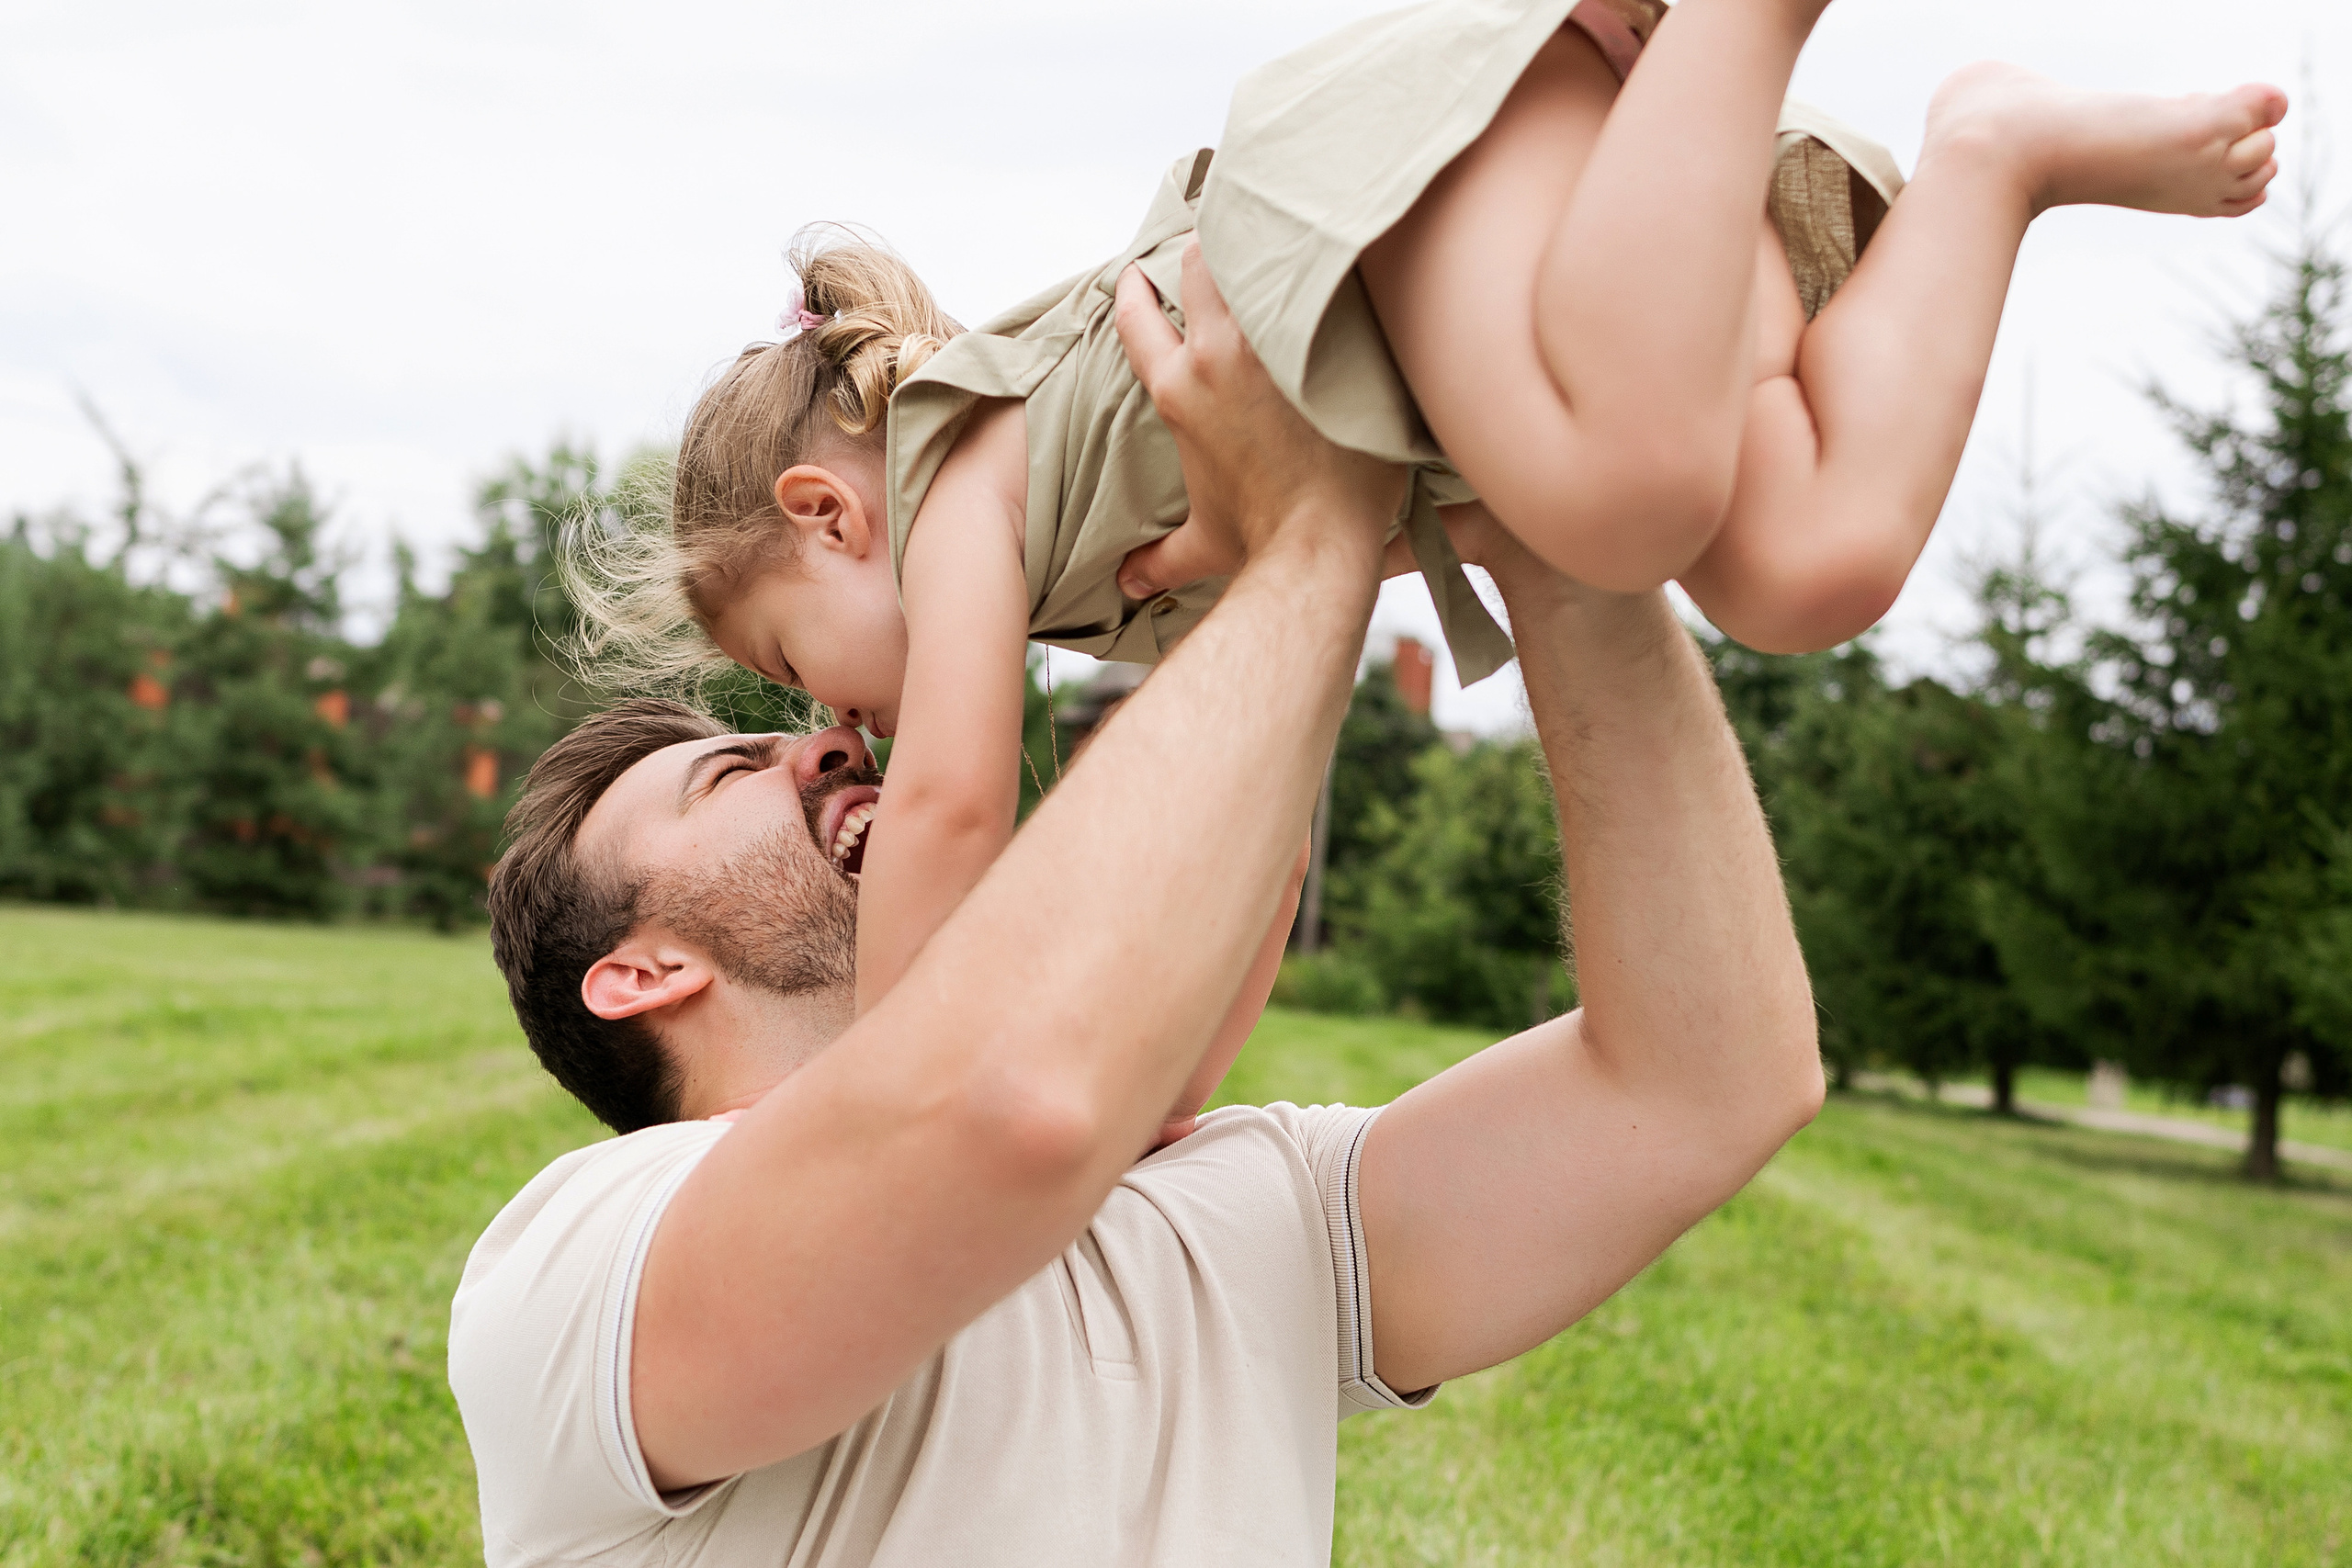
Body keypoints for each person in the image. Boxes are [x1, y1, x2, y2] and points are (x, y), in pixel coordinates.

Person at [452, 246, 1823, 1565]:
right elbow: (997, 1110)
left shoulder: (1229, 1210)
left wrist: (1558, 516)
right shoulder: (580, 1269)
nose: (828, 737)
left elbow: (1707, 1083)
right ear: (637, 973)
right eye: (727, 775)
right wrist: (1307, 539)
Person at [567, 0, 2284, 1018]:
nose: (831, 722)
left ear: (830, 512)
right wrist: (1150, 1094)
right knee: (1804, 569)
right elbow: (1249, 845)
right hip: (1607, 272)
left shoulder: (956, 471)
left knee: (1621, 504)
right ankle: (1994, 160)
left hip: (1397, 198)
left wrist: (903, 1053)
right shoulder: (1101, 586)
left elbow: (951, 809)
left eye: (798, 661)